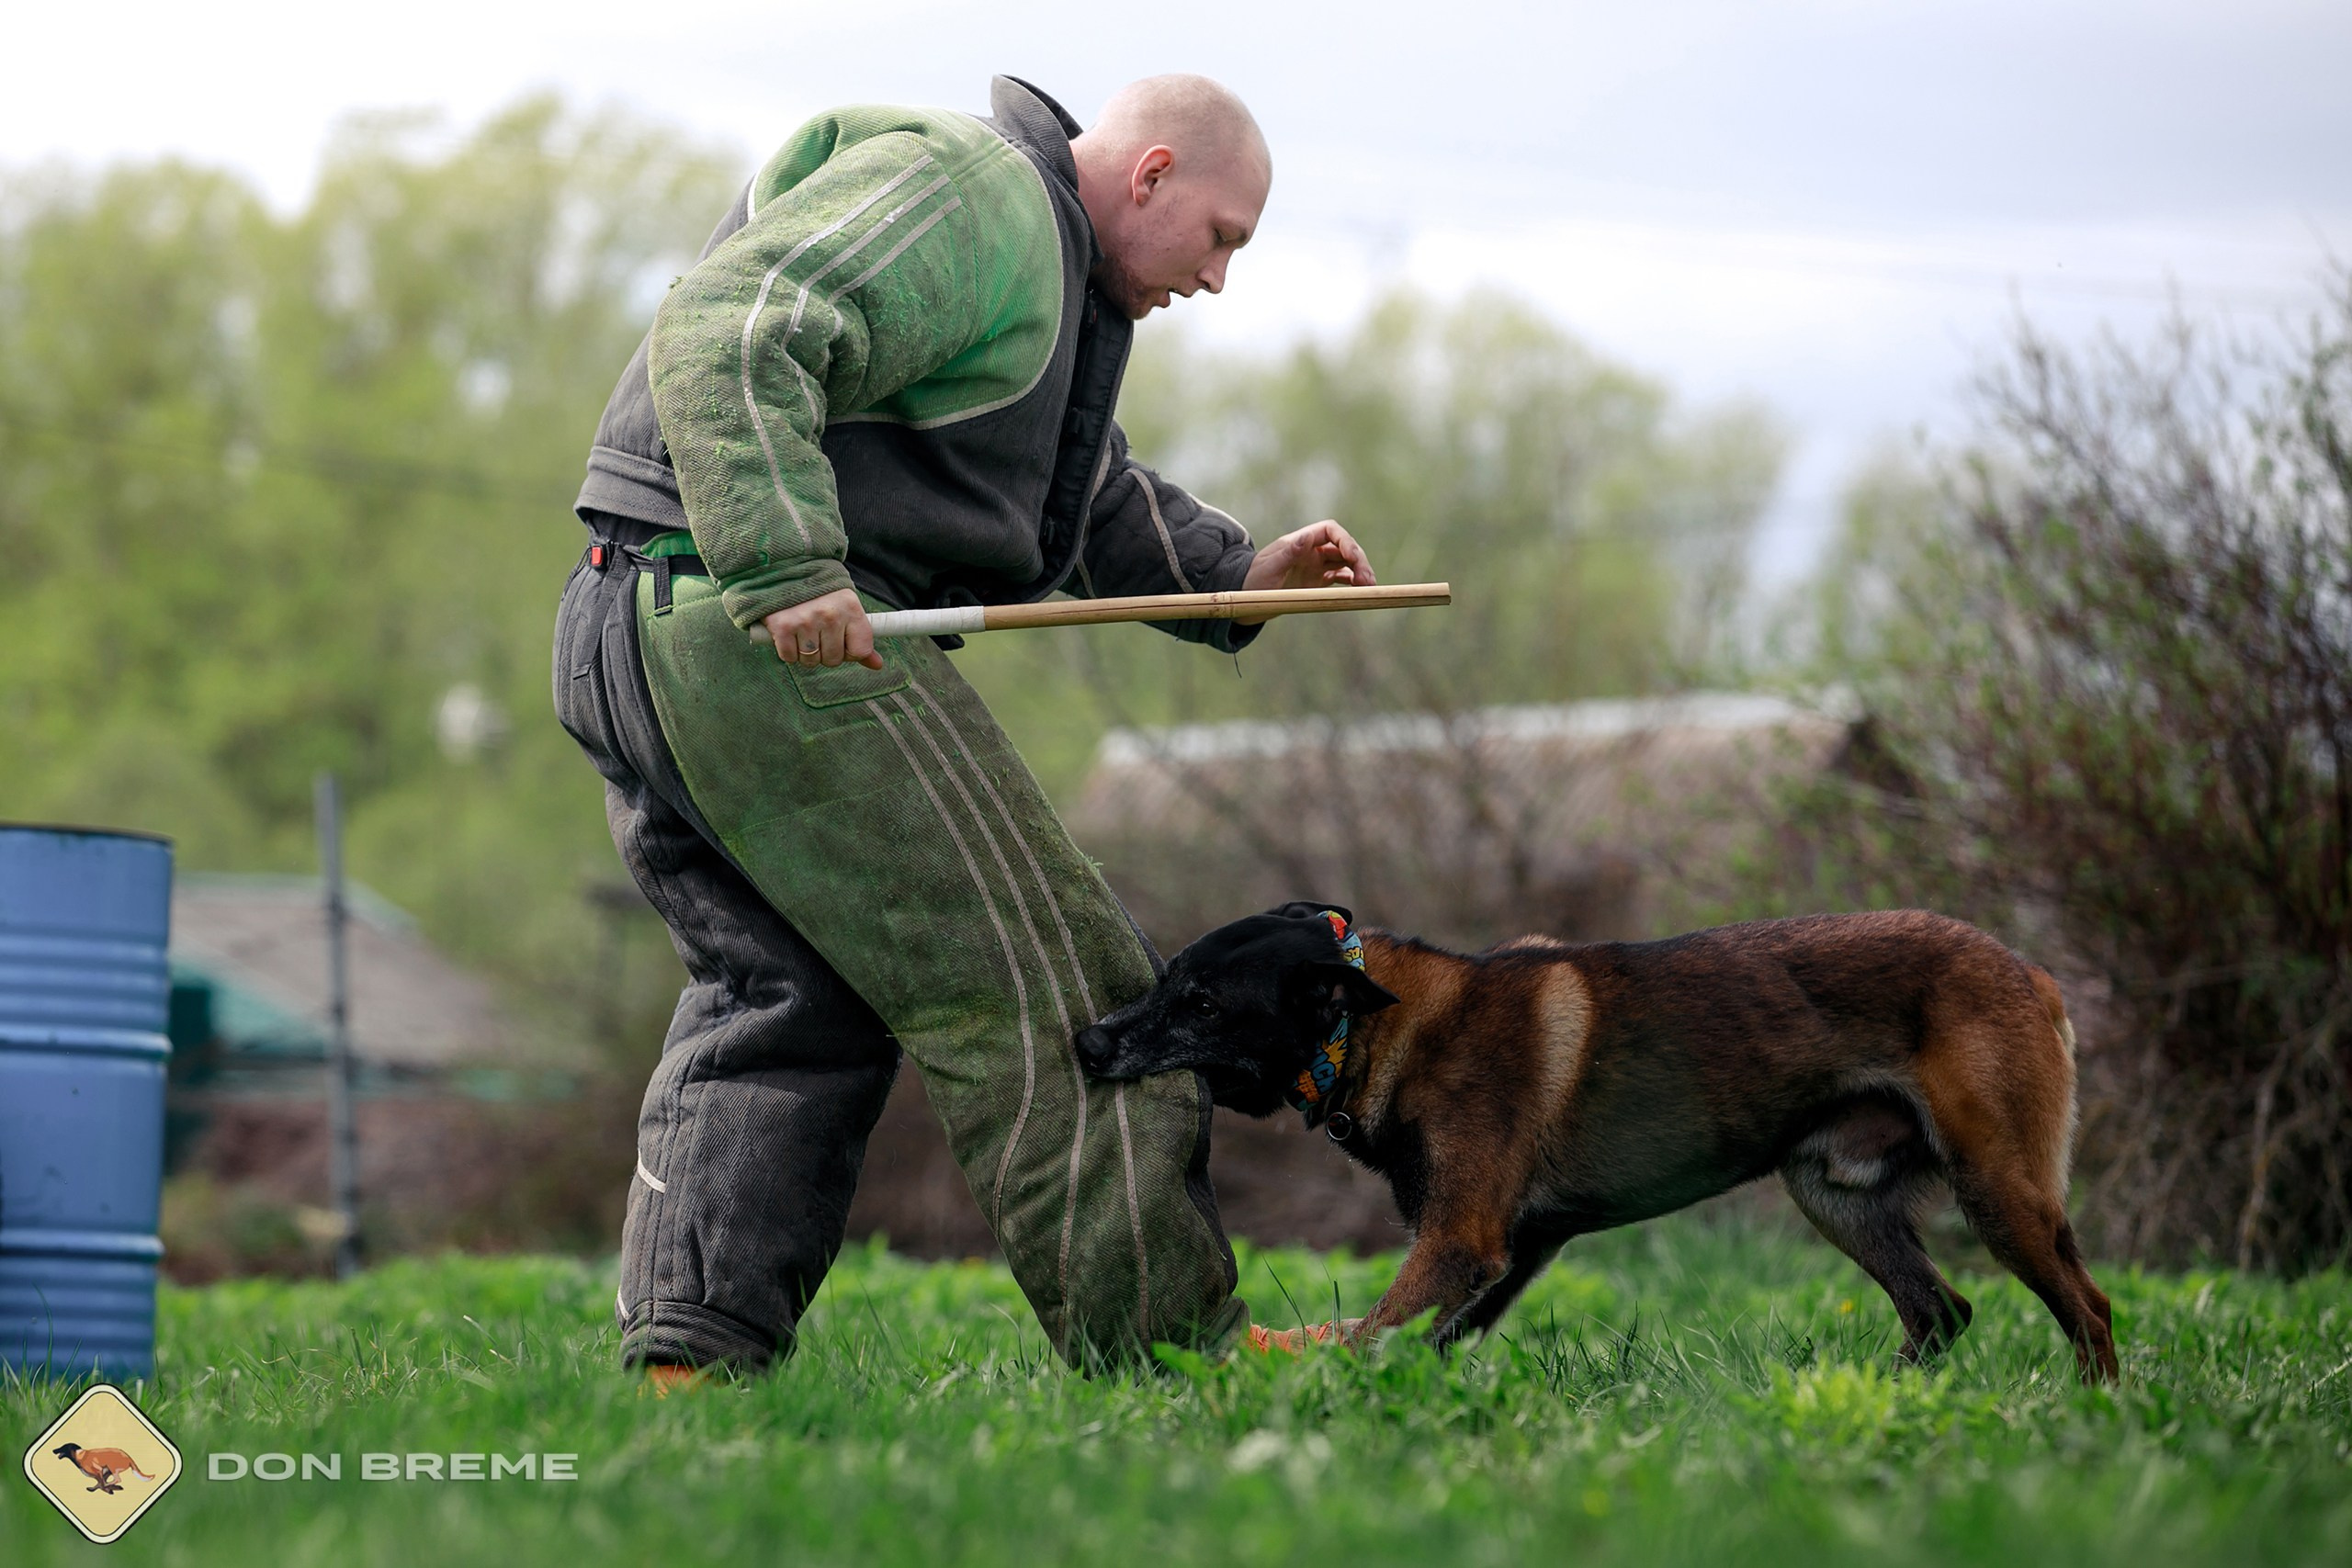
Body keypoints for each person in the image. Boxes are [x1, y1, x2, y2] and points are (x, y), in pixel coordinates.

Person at [553, 73, 1374, 1384]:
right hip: (755, 626)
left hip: (639, 616)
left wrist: (1237, 578)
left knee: (788, 997)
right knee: (1069, 988)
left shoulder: (1034, 281)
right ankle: (1175, 1353)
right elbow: (735, 319)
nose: (1219, 282)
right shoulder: (976, 192)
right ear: (1151, 174)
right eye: (1223, 238)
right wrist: (787, 564)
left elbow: (1071, 493)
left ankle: (689, 1364)